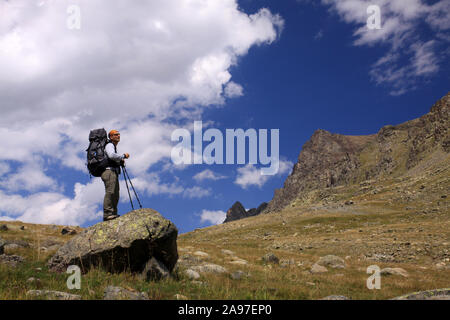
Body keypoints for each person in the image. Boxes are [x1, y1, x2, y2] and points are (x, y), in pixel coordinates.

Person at [101, 130, 130, 221]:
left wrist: (119, 161)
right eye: (116, 134)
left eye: (119, 134)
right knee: (111, 192)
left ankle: (113, 214)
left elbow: (112, 157)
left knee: (115, 194)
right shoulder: (109, 145)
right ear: (111, 137)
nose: (118, 136)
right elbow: (111, 155)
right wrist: (123, 156)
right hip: (109, 171)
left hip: (112, 172)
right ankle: (108, 214)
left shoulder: (112, 146)